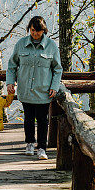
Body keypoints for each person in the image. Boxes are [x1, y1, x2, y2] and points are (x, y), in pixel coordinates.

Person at [6, 16, 63, 160]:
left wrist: (54, 86)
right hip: (25, 89)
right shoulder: (21, 44)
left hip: (44, 90)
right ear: (29, 29)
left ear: (43, 31)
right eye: (32, 31)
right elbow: (12, 65)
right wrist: (10, 82)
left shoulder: (51, 46)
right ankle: (30, 143)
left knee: (43, 120)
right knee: (29, 119)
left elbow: (57, 69)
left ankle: (42, 148)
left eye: (38, 31)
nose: (35, 34)